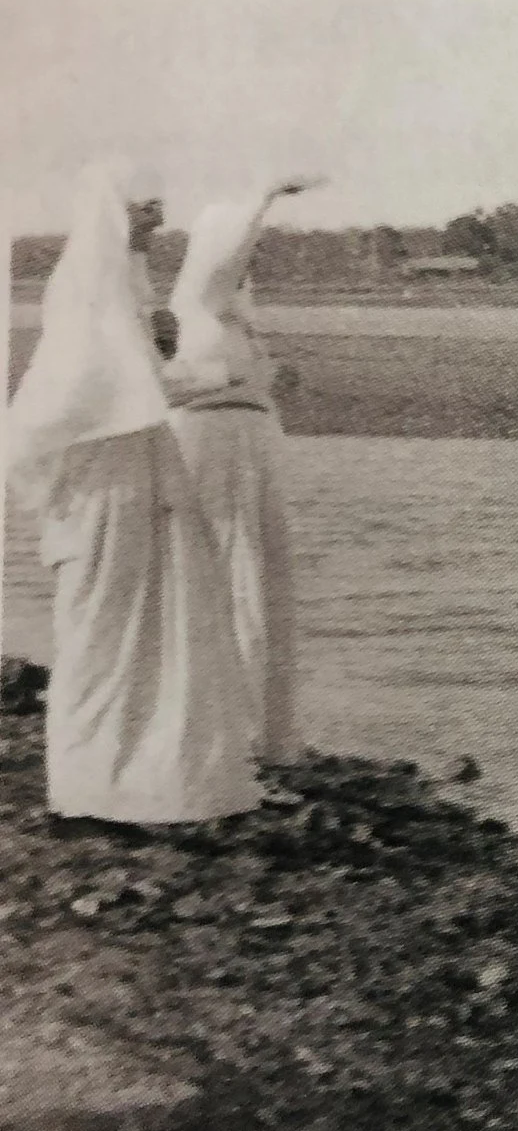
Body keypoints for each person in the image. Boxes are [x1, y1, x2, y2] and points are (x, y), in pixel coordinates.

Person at [4, 161, 258, 825]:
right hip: (104, 489)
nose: (160, 219)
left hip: (144, 473)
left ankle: (158, 777)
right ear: (117, 214)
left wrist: (176, 366)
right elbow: (68, 403)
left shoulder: (123, 296)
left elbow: (138, 383)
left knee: (172, 619)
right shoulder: (90, 302)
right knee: (102, 630)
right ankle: (91, 785)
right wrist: (185, 373)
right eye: (147, 208)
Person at [163, 174, 323, 764]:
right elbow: (224, 263)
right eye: (242, 249)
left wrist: (271, 381)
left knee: (267, 572)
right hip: (213, 444)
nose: (247, 263)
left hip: (252, 445)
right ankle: (224, 727)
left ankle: (266, 729)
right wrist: (262, 199)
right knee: (229, 569)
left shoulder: (234, 319)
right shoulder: (196, 303)